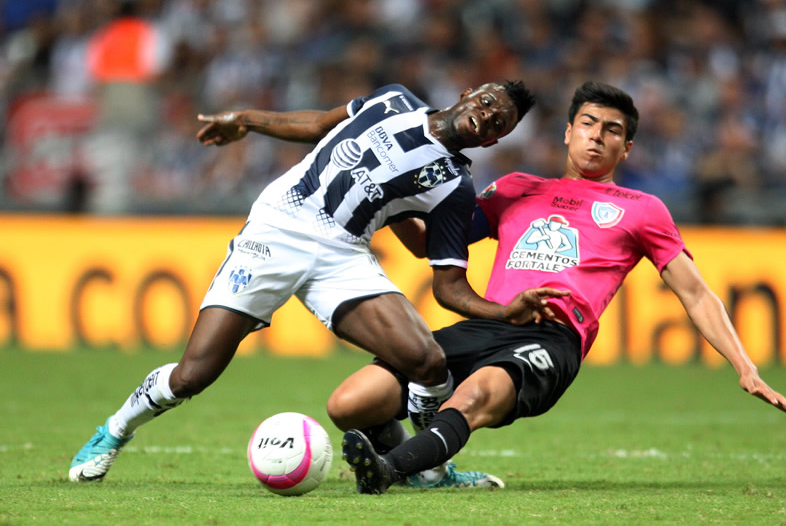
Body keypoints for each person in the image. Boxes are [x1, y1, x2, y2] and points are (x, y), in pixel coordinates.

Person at [68, 80, 561, 483]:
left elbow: (448, 285)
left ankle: (427, 468)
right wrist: (246, 119)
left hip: (342, 254)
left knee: (427, 361)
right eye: (489, 102)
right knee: (193, 374)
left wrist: (503, 311)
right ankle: (114, 430)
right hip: (275, 231)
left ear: (493, 141)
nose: (490, 116)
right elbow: (321, 124)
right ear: (470, 92)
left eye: (500, 123)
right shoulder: (393, 100)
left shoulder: (455, 185)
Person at [328, 81, 786, 494]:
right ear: (568, 132)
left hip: (551, 339)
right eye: (588, 123)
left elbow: (696, 292)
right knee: (349, 403)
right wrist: (384, 200)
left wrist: (745, 366)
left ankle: (389, 470)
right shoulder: (516, 187)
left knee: (474, 396)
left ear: (628, 147)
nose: (596, 136)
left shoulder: (641, 209)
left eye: (611, 130)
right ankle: (424, 470)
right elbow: (431, 245)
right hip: (488, 320)